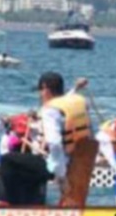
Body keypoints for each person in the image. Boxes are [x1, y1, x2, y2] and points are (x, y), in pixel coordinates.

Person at [37, 72, 94, 205]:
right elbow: (65, 104)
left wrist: (61, 175)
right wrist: (76, 88)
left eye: (40, 90)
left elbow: (55, 143)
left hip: (65, 162)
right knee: (78, 199)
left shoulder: (49, 110)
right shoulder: (78, 101)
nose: (40, 94)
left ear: (45, 88)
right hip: (85, 155)